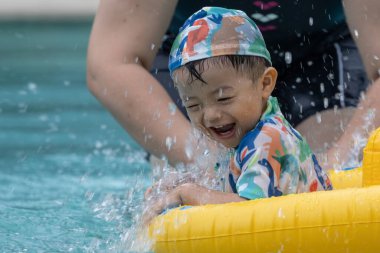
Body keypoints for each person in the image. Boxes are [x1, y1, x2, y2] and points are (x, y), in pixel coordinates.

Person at [87, 0, 380, 170]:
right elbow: (111, 63)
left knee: (322, 168)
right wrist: (205, 159)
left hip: (321, 52)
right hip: (196, 62)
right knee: (191, 180)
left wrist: (342, 156)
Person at [142, 7, 333, 223]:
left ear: (265, 84)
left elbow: (250, 214)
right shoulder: (246, 136)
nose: (210, 115)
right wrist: (185, 182)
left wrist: (188, 194)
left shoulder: (268, 140)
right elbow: (228, 182)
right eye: (193, 106)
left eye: (224, 98)